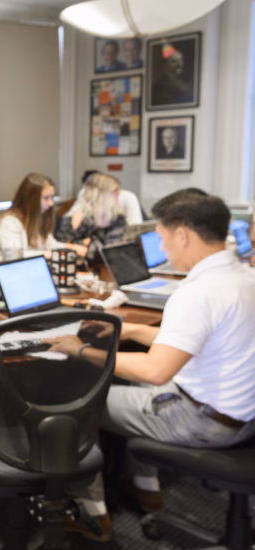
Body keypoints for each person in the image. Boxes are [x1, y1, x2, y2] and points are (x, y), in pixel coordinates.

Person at [50, 189, 255, 542]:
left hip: (202, 421)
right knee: (132, 387)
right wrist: (128, 330)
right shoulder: (244, 278)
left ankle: (91, 511)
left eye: (162, 239)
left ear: (183, 234)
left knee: (78, 400)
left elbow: (155, 370)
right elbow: (195, 340)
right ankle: (147, 487)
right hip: (242, 417)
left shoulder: (197, 293)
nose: (161, 250)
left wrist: (81, 351)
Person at [0, 173, 86, 269]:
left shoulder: (37, 218)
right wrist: (49, 254)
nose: (51, 203)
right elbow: (14, 257)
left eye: (52, 197)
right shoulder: (9, 222)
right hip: (0, 276)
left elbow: (50, 244)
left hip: (28, 271)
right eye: (46, 198)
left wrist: (70, 247)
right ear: (30, 199)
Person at [55, 172, 127, 257]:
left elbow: (113, 249)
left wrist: (87, 242)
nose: (118, 196)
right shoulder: (77, 217)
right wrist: (84, 242)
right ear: (101, 195)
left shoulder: (117, 217)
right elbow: (61, 248)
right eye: (115, 193)